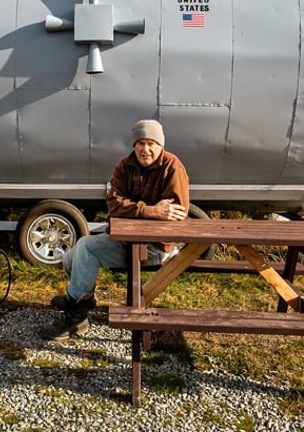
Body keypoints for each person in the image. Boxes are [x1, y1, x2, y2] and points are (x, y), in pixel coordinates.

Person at [39, 119, 190, 340]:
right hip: (124, 241)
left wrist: (134, 211)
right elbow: (113, 204)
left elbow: (175, 214)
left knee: (86, 247)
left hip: (154, 247)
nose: (145, 149)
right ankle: (83, 299)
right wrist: (150, 211)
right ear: (133, 145)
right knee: (70, 258)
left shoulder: (172, 168)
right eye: (140, 143)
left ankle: (76, 317)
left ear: (161, 144)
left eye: (151, 143)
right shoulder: (124, 165)